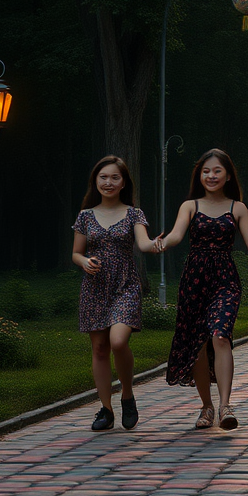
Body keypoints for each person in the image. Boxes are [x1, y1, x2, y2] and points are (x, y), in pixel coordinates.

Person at [158, 149, 248, 430]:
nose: (211, 176)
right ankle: (206, 407)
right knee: (197, 345)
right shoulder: (189, 206)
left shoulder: (237, 208)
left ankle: (225, 405)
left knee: (220, 335)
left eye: (217, 171)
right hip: (194, 281)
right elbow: (176, 236)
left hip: (225, 280)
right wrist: (160, 243)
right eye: (206, 171)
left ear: (228, 175)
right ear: (200, 175)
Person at [72, 156, 160, 432]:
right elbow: (76, 252)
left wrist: (158, 243)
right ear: (95, 181)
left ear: (124, 183)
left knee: (118, 341)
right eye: (103, 177)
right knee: (99, 349)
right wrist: (84, 262)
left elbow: (143, 243)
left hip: (125, 286)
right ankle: (106, 409)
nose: (108, 182)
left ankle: (128, 396)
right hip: (95, 288)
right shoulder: (85, 216)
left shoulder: (134, 213)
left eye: (114, 178)